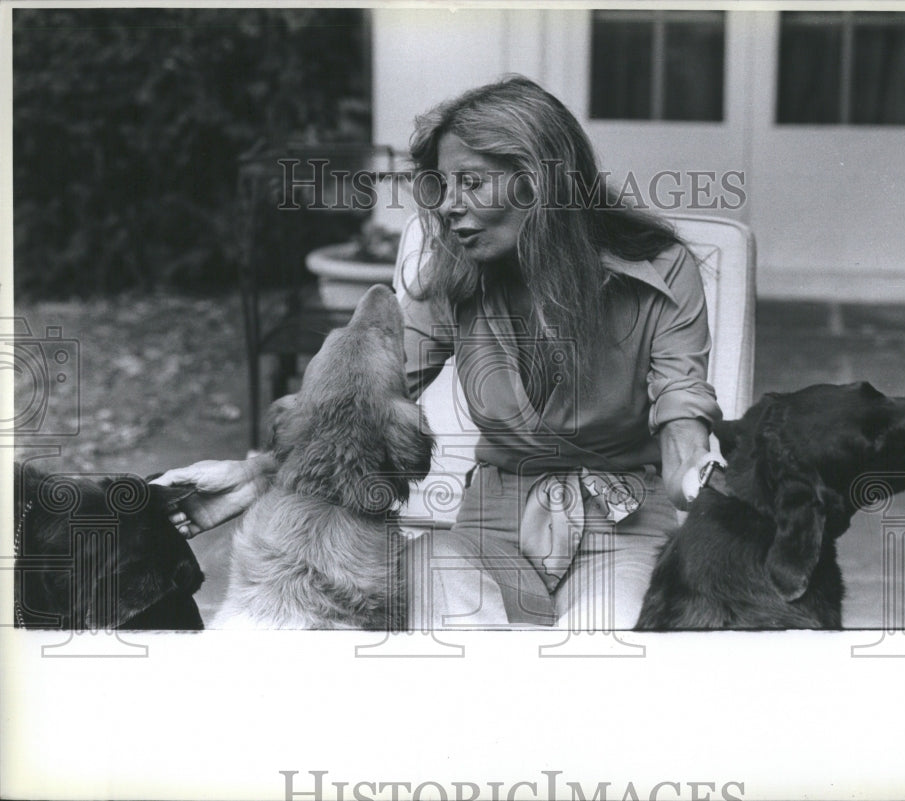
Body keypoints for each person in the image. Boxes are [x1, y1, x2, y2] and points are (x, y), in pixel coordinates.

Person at [154, 75, 723, 630]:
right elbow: (357, 411)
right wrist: (256, 476)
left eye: (471, 182)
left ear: (540, 178)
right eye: (444, 188)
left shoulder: (661, 270)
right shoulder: (456, 276)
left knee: (609, 636)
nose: (450, 206)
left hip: (621, 530)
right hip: (491, 530)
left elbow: (681, 407)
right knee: (431, 574)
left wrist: (701, 472)